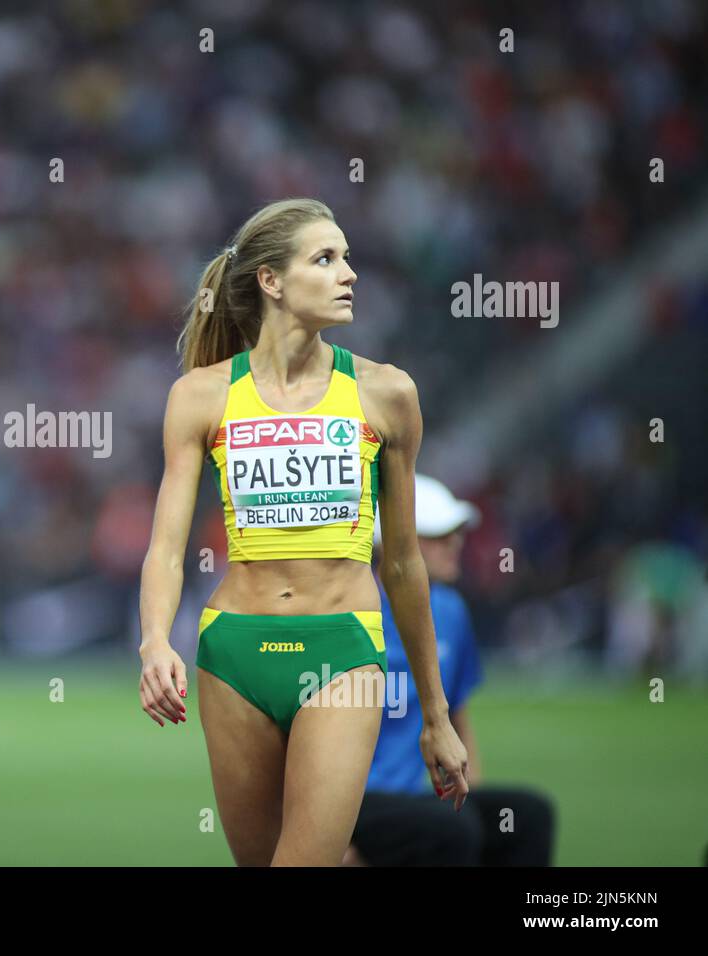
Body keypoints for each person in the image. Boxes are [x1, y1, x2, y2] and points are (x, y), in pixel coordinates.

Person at [138, 197, 468, 867]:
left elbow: (403, 565)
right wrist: (153, 643)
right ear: (271, 281)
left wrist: (435, 714)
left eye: (347, 257)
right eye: (326, 258)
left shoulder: (386, 393)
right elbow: (167, 547)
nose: (349, 273)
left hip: (343, 652)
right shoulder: (201, 396)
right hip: (233, 656)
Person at [344, 474, 556, 865]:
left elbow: (457, 719)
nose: (455, 544)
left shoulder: (450, 611)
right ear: (394, 542)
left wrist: (467, 795)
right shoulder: (345, 610)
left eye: (456, 533)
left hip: (421, 798)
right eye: (440, 536)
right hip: (353, 803)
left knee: (530, 815)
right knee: (452, 830)